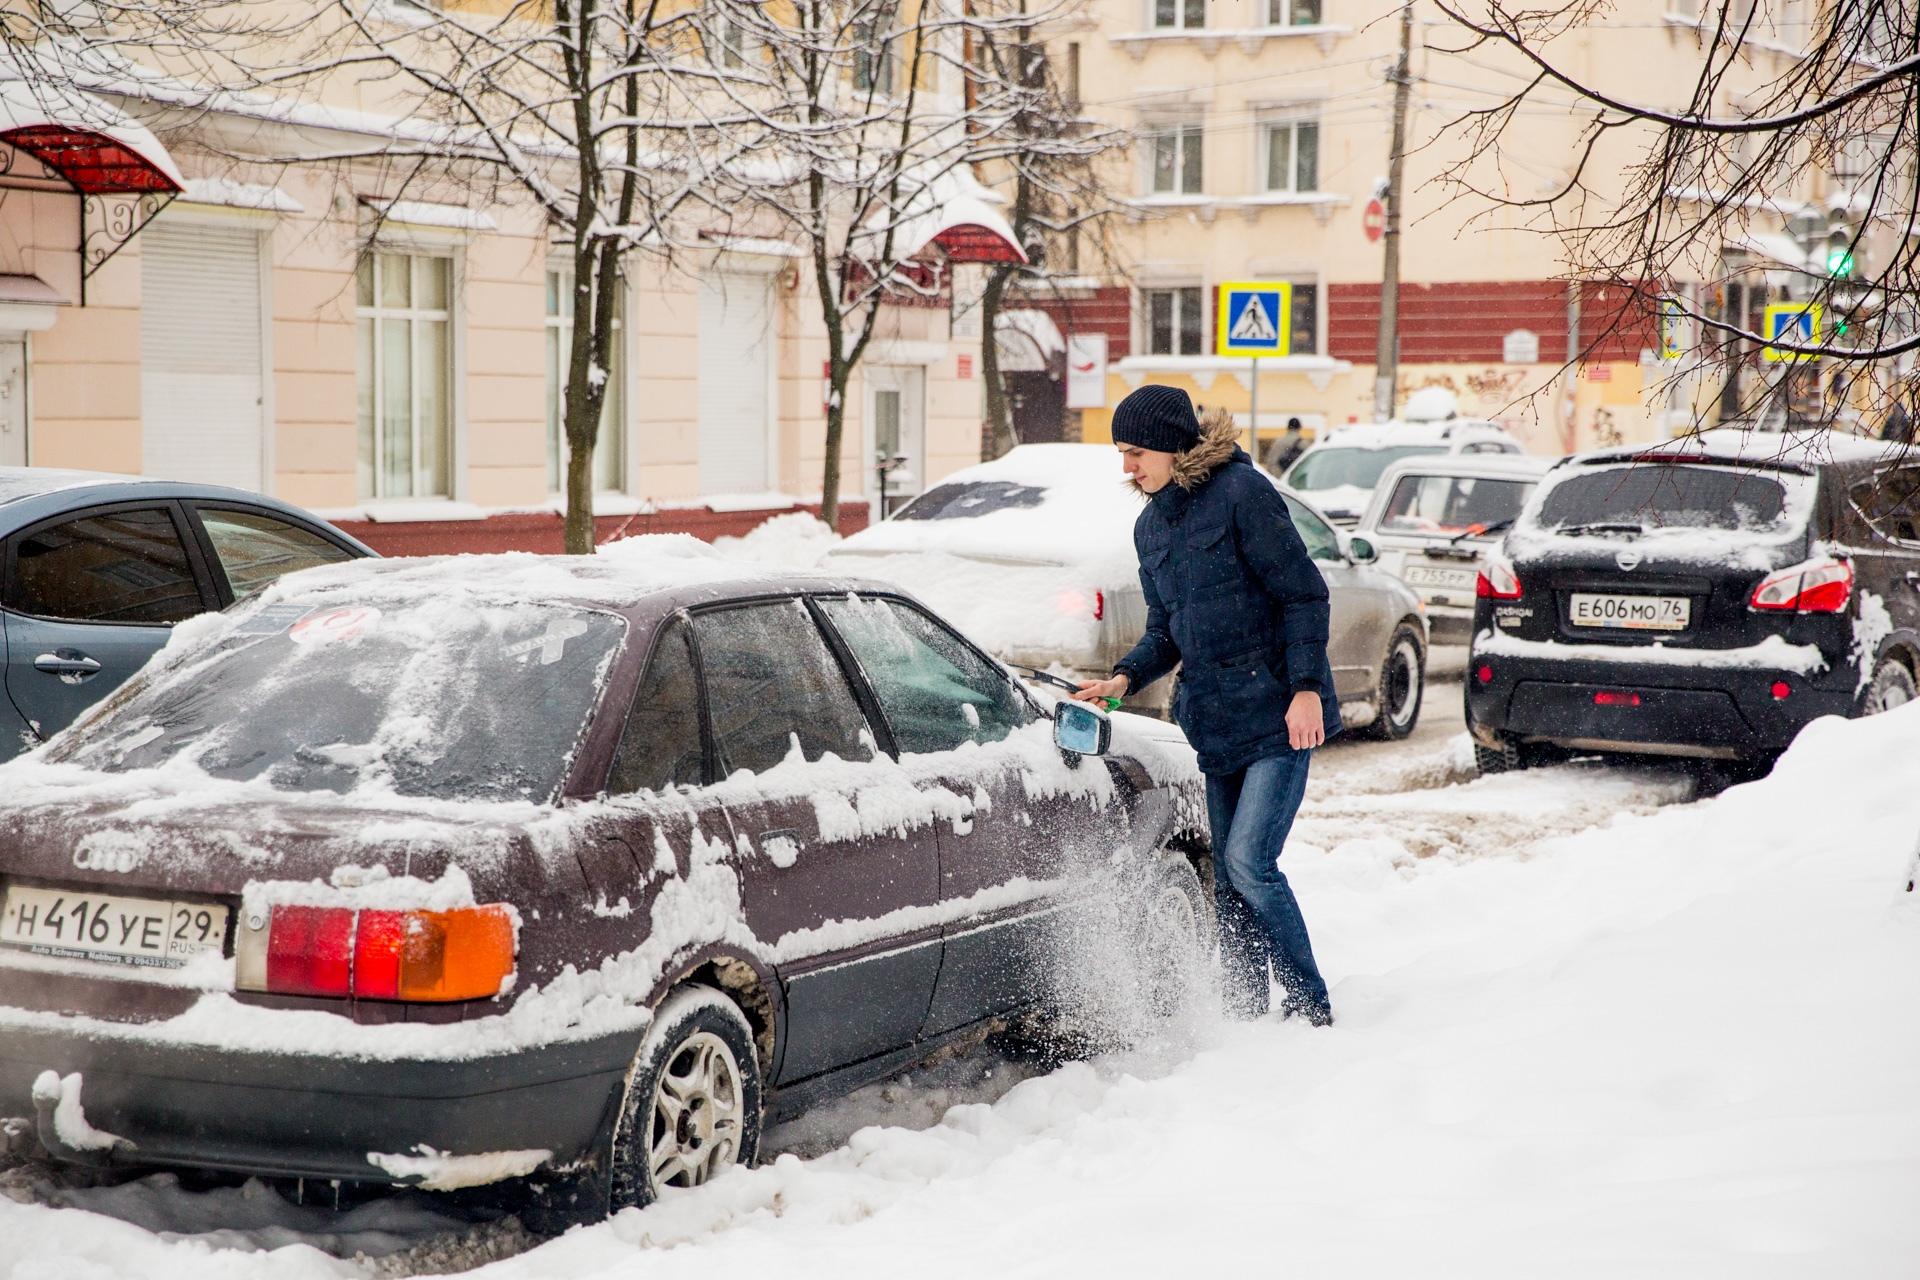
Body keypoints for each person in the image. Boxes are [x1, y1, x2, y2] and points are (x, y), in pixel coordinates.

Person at [1073, 384, 1342, 1026]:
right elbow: (1166, 629)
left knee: (1251, 861)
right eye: (1122, 454)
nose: (1127, 467)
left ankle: (1310, 1008)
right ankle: (1244, 1011)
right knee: (1225, 875)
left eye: (1136, 452)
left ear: (1171, 445)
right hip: (1215, 718)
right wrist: (1124, 677)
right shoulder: (1150, 526)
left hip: (1279, 710)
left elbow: (1304, 595)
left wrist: (1306, 689)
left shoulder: (1243, 495)